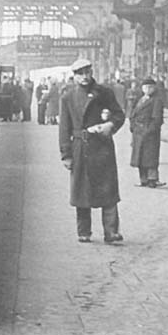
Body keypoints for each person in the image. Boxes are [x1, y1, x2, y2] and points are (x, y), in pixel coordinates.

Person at [59, 58, 125, 244]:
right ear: (75, 76)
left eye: (87, 72)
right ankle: (84, 231)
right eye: (80, 74)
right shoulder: (68, 97)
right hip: (80, 148)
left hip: (102, 147)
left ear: (91, 72)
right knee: (82, 191)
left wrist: (110, 125)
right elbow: (64, 128)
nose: (85, 77)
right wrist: (66, 154)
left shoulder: (104, 93)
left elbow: (119, 114)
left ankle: (111, 232)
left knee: (108, 189)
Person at [129, 77, 165, 188]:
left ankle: (152, 179)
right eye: (145, 87)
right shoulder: (140, 99)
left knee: (150, 157)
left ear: (154, 88)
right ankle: (143, 179)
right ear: (142, 88)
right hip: (138, 132)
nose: (147, 89)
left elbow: (157, 119)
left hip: (150, 133)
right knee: (140, 157)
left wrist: (149, 131)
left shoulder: (156, 101)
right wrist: (133, 127)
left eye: (150, 87)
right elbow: (133, 114)